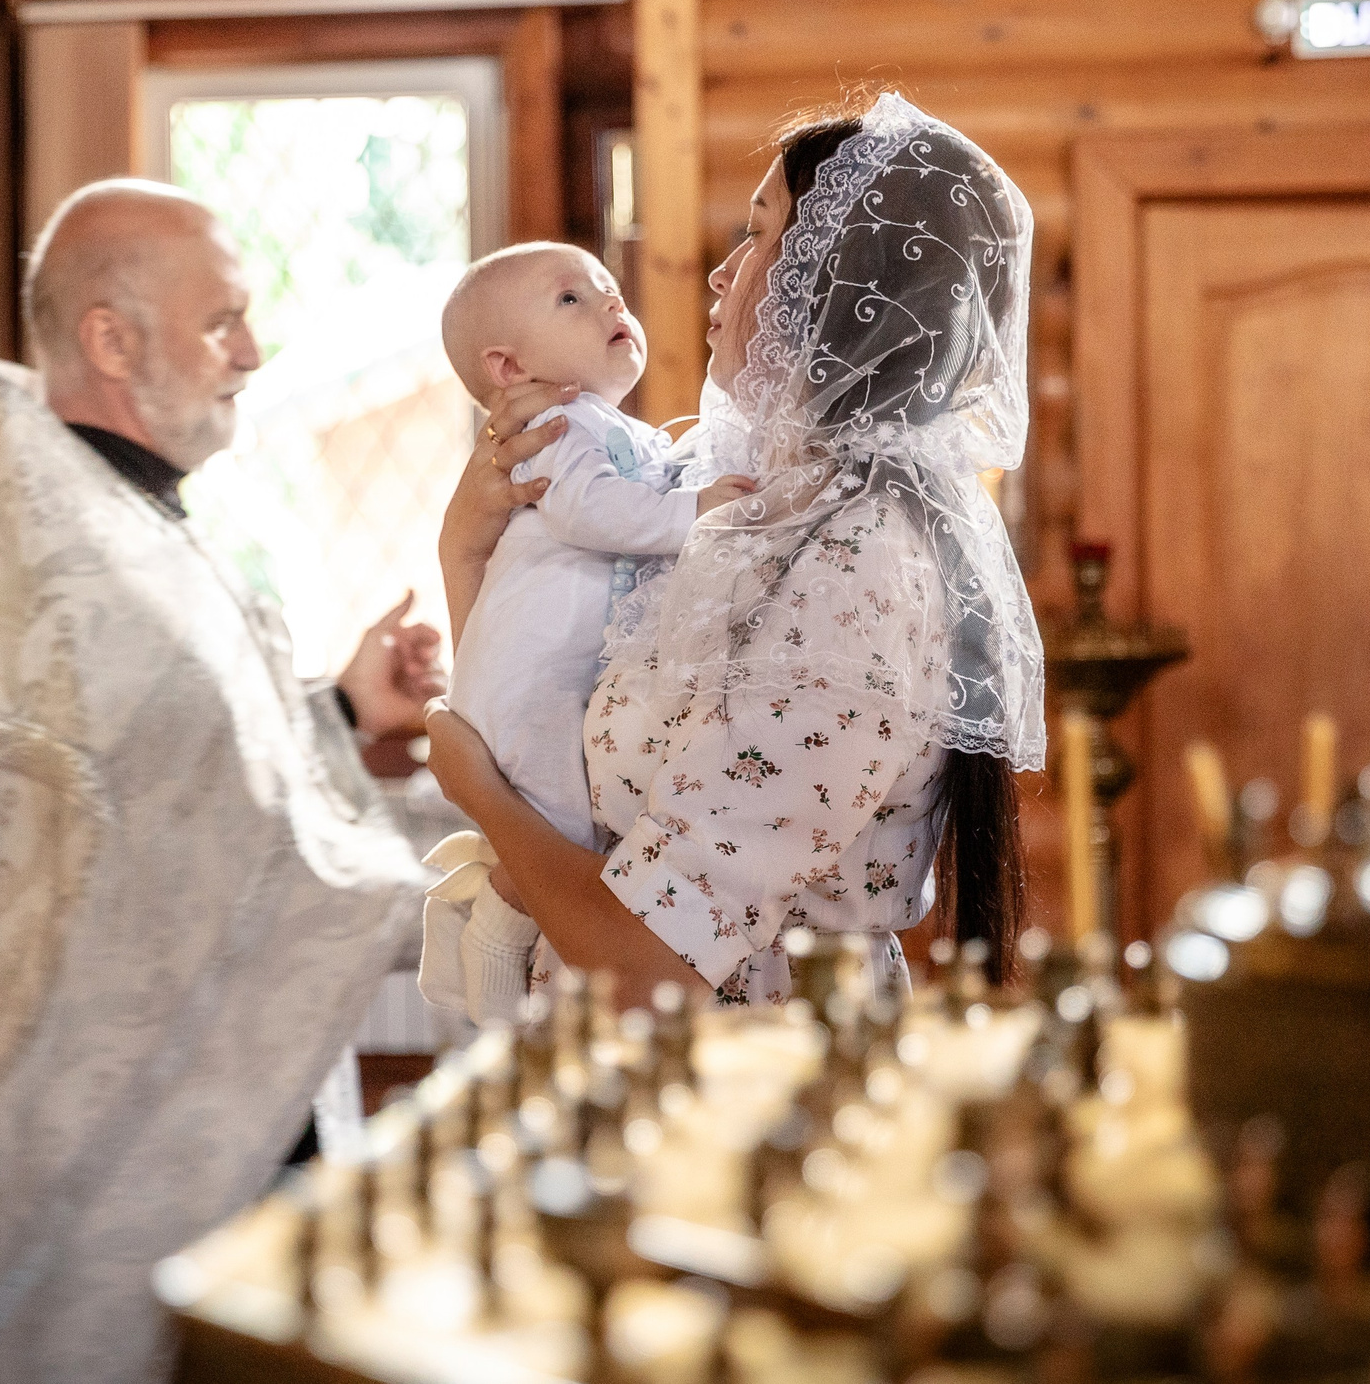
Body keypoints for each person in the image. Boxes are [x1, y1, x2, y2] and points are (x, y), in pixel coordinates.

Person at [0, 178, 436, 1384]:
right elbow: (220, 818)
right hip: (75, 1130)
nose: (253, 353)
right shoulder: (96, 574)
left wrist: (336, 709)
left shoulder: (121, 521)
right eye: (221, 320)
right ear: (111, 338)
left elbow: (182, 773)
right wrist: (507, 871)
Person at [425, 92, 1046, 1010]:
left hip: (755, 1075)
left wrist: (477, 792)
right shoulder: (739, 488)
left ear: (836, 286)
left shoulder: (864, 561)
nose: (720, 276)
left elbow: (656, 963)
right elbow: (540, 679)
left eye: (757, 237)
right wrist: (463, 551)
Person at [420, 241, 752, 1022]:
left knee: (552, 832)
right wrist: (695, 513)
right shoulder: (557, 422)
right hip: (523, 679)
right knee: (547, 840)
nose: (610, 303)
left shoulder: (603, 426)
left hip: (536, 671)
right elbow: (589, 511)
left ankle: (489, 946)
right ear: (509, 369)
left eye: (609, 290)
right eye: (571, 298)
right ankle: (486, 958)